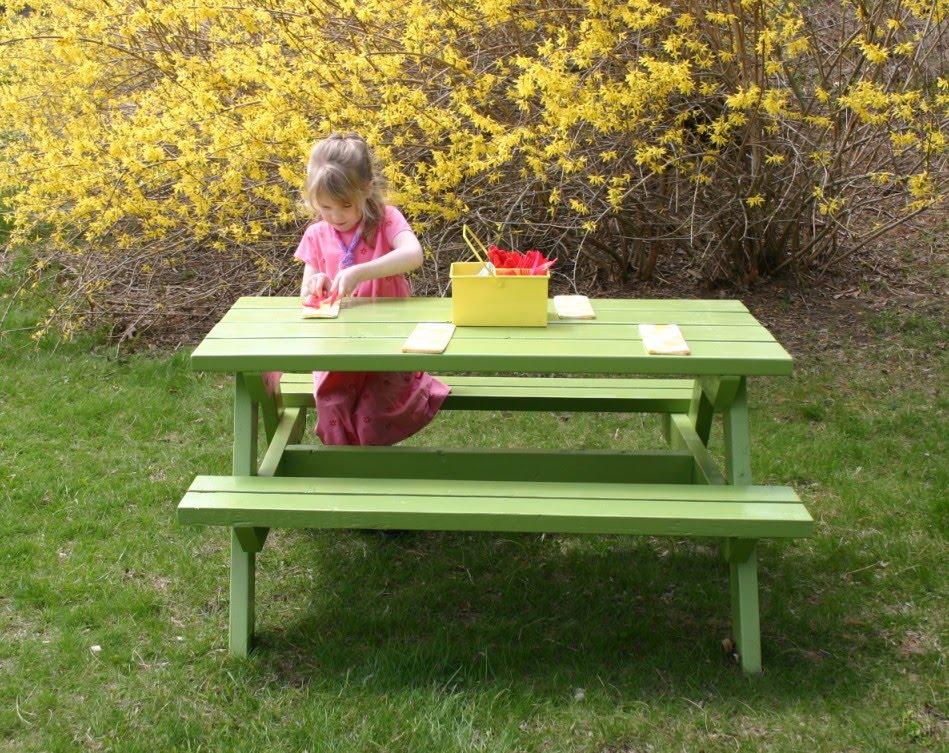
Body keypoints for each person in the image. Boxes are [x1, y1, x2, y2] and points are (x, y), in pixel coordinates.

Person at [293, 133, 450, 446]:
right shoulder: (316, 234)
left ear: (366, 189)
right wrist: (317, 283)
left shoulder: (386, 221)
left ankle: (372, 476)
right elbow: (306, 293)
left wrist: (361, 271)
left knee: (373, 413)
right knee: (332, 407)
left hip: (388, 346)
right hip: (339, 352)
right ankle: (349, 477)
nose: (336, 216)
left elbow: (413, 255)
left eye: (345, 206)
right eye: (325, 207)